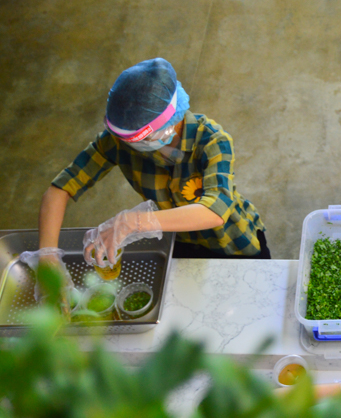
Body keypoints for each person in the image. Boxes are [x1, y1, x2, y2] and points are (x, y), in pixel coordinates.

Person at [38, 58, 270, 268]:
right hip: (179, 240)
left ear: (167, 123)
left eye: (139, 140)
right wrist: (48, 256)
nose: (130, 146)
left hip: (233, 243)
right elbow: (61, 189)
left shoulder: (212, 140)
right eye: (124, 139)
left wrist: (135, 222)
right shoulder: (118, 143)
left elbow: (215, 210)